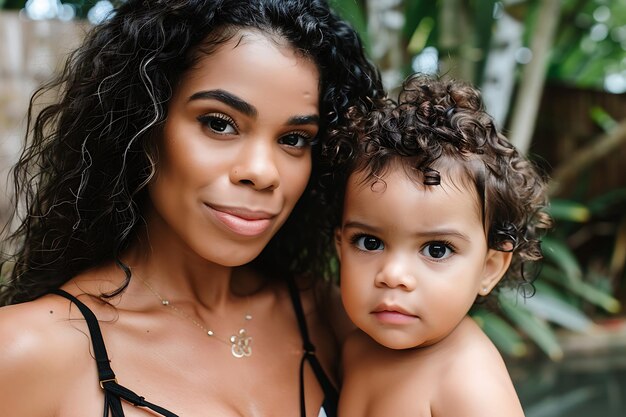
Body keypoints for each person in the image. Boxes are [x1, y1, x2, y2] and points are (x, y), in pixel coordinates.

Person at [0, 1, 384, 416]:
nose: (261, 172)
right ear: (144, 123)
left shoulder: (332, 315)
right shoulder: (27, 350)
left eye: (294, 138)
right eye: (219, 123)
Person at [324, 74, 551, 417]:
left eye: (436, 250)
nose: (393, 275)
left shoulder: (468, 384)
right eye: (370, 242)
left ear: (488, 268)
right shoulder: (355, 346)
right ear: (341, 248)